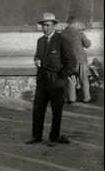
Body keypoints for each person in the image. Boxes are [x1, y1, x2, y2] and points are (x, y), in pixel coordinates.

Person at [26, 13, 77, 147]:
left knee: (56, 110)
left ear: (54, 25)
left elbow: (72, 62)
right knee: (38, 109)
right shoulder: (40, 41)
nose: (44, 28)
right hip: (42, 80)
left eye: (47, 25)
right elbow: (37, 55)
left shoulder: (62, 40)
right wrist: (36, 60)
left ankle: (54, 137)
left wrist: (61, 76)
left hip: (56, 81)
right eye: (43, 25)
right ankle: (36, 136)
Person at [61, 16, 92, 103]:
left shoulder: (62, 34)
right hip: (80, 61)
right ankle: (86, 98)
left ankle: (71, 99)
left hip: (68, 62)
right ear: (75, 23)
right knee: (84, 80)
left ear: (67, 23)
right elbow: (88, 45)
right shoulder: (79, 32)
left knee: (70, 81)